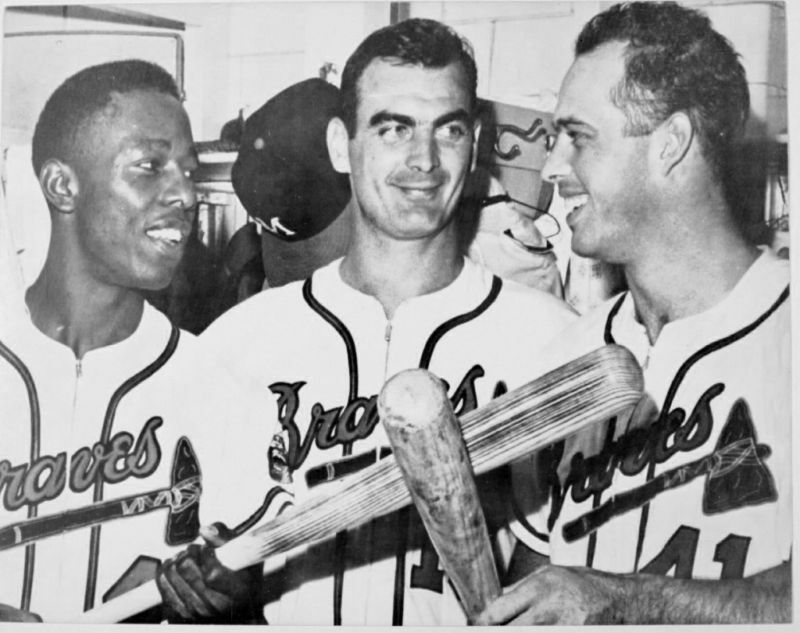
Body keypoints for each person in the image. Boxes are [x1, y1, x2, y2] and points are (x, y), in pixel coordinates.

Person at [193, 18, 575, 625]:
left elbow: (559, 565)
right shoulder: (239, 344)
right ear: (341, 145)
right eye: (393, 128)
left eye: (447, 130)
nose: (423, 160)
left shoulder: (554, 341)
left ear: (474, 143)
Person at [477, 1, 791, 624]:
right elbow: (538, 586)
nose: (552, 166)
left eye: (579, 137)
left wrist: (625, 601)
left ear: (670, 144)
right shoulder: (567, 358)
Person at [0, 59, 272, 623]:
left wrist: (231, 605)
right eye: (149, 166)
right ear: (61, 186)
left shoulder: (222, 388)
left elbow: (249, 600)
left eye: (189, 173)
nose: (186, 195)